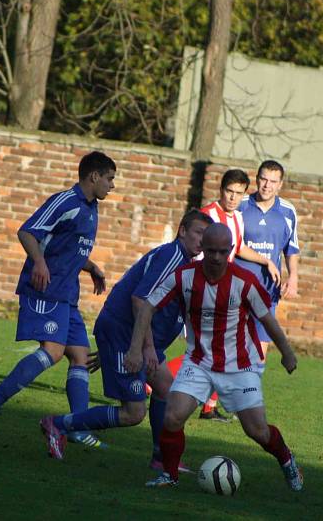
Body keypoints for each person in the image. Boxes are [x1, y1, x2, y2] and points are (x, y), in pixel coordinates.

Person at [126, 223, 303, 491]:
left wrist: (287, 353)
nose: (217, 257)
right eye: (211, 251)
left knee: (257, 431)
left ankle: (287, 460)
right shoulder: (183, 276)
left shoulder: (244, 281)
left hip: (240, 366)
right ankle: (169, 475)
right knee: (172, 417)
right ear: (202, 249)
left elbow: (267, 320)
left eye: (223, 251)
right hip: (198, 362)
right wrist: (135, 348)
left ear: (231, 250)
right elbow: (147, 307)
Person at [38, 210, 213, 466]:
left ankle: (161, 457)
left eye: (206, 236)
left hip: (128, 335)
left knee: (166, 388)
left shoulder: (186, 263)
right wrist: (141, 348)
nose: (202, 240)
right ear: (183, 231)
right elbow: (139, 299)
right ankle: (57, 424)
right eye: (198, 232)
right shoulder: (172, 256)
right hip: (125, 332)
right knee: (133, 413)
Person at [0, 151, 116, 450]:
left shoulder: (91, 208)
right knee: (52, 352)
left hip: (67, 295)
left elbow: (69, 247)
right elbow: (27, 231)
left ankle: (76, 426)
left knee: (80, 355)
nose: (112, 186)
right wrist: (38, 262)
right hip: (46, 289)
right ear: (94, 176)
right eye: (109, 179)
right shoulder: (65, 201)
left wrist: (91, 267)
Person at [167, 168, 281, 422]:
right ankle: (156, 380)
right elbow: (189, 249)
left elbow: (238, 247)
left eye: (239, 193)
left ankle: (209, 406)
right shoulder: (207, 216)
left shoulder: (238, 218)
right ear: (221, 190)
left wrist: (267, 261)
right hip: (201, 292)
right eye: (229, 191)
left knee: (218, 348)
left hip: (223, 294)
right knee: (204, 350)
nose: (233, 197)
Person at [236, 160, 300, 363]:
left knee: (258, 355)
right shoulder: (241, 205)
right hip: (236, 287)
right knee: (229, 349)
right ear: (256, 179)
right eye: (263, 179)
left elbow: (292, 248)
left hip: (267, 290)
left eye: (273, 181)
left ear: (280, 184)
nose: (267, 185)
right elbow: (232, 244)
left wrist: (294, 277)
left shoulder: (288, 211)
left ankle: (248, 393)